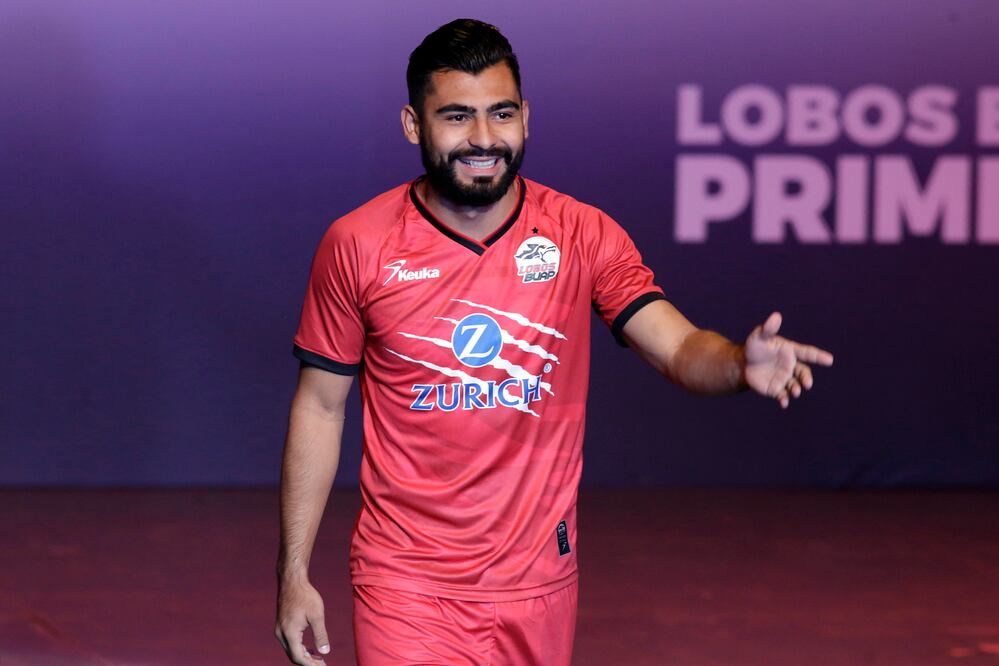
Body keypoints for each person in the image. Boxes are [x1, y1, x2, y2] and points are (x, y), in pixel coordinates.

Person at [274, 18, 833, 666]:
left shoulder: (581, 234)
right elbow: (319, 406)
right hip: (406, 585)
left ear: (525, 118)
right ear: (412, 125)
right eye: (456, 116)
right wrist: (293, 574)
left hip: (539, 585)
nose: (482, 138)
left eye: (500, 114)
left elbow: (677, 349)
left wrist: (738, 363)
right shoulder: (358, 244)